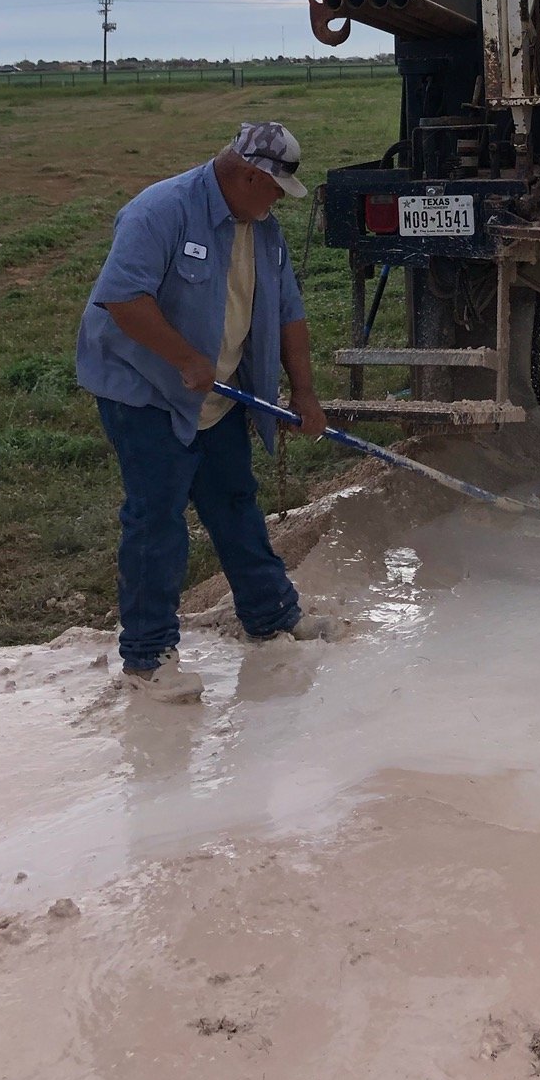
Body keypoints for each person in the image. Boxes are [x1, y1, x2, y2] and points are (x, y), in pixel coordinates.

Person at [76, 119, 330, 701]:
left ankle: (270, 616)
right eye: (272, 191)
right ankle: (148, 659)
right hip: (146, 393)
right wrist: (185, 357)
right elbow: (121, 297)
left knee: (235, 500)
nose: (276, 206)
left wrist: (305, 394)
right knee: (157, 519)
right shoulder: (161, 210)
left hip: (217, 395)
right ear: (247, 175)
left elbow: (290, 314)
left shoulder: (262, 230)